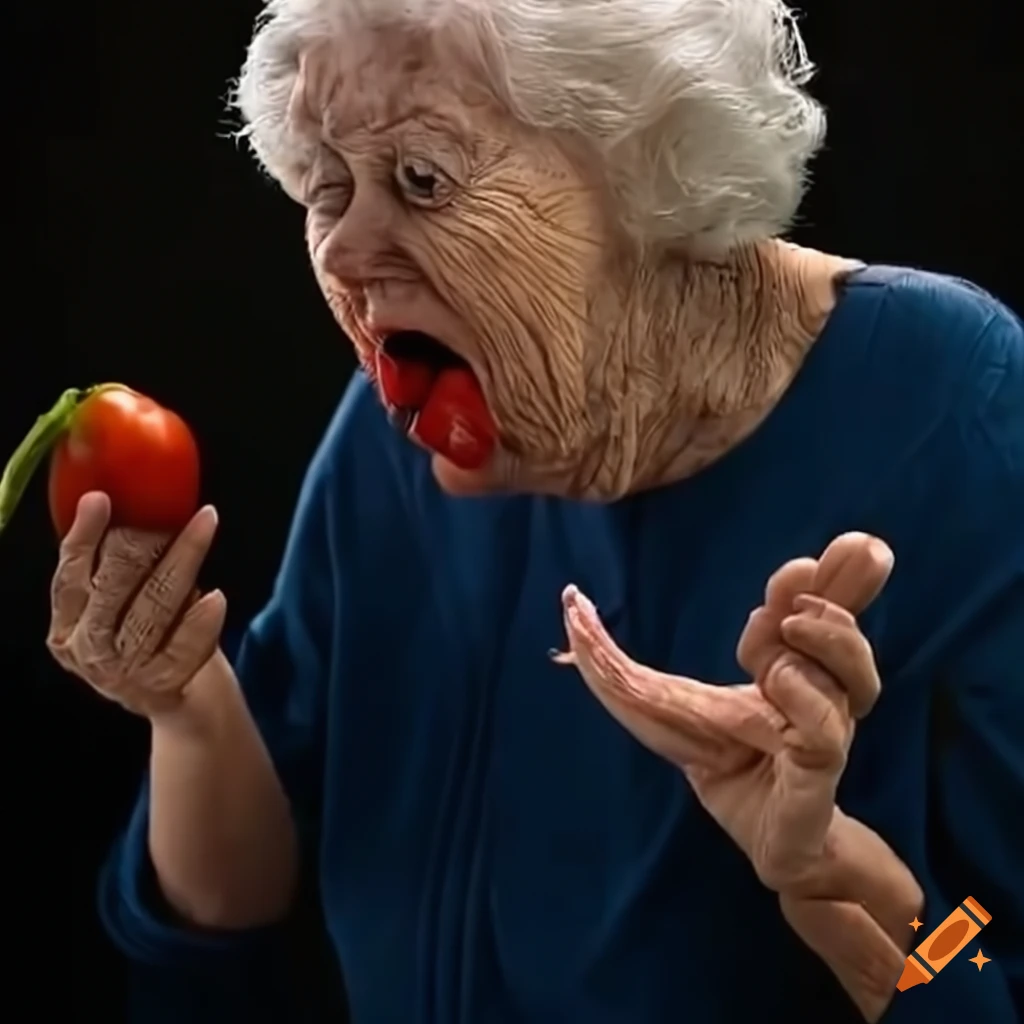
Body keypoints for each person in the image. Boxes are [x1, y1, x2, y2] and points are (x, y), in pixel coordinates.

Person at [51, 0, 1022, 1021]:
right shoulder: (388, 438)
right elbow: (241, 910)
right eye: (328, 187)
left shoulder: (951, 410)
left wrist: (850, 892)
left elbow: (984, 973)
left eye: (422, 180)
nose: (341, 254)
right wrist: (188, 699)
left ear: (654, 176)